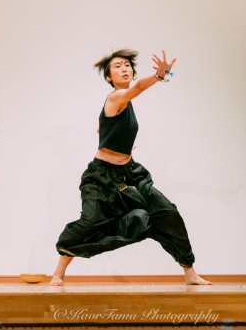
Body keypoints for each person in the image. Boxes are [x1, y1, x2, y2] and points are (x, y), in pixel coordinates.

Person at [50, 49, 211, 286]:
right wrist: (160, 76)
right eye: (117, 66)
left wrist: (117, 141)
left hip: (131, 174)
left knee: (168, 214)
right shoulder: (116, 97)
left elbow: (104, 127)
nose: (124, 68)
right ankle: (59, 272)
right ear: (109, 77)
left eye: (127, 65)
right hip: (102, 177)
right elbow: (138, 88)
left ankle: (190, 273)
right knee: (91, 222)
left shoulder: (123, 104)